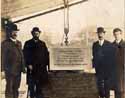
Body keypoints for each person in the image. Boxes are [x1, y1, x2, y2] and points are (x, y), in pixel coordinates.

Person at [23, 27, 50, 98]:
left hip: (41, 70)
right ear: (32, 34)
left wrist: (48, 67)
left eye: (37, 33)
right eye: (34, 33)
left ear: (39, 34)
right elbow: (24, 55)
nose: (36, 35)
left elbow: (46, 55)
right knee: (31, 88)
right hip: (32, 69)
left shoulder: (42, 44)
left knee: (40, 89)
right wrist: (28, 64)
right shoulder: (28, 43)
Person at [1, 23, 25, 98]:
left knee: (16, 89)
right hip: (10, 70)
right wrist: (2, 70)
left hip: (18, 70)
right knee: (9, 89)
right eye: (13, 31)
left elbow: (22, 56)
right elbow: (2, 57)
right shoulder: (5, 43)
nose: (15, 33)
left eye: (16, 32)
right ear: (9, 32)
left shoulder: (19, 43)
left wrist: (23, 68)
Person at [92, 27, 114, 98]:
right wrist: (94, 66)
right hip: (98, 69)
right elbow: (94, 56)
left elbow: (111, 57)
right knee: (99, 85)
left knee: (107, 86)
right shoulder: (95, 44)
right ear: (97, 34)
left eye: (101, 33)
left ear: (104, 34)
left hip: (107, 69)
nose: (100, 35)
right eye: (99, 33)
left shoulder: (109, 44)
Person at [112, 28, 125, 98]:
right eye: (115, 34)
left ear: (121, 34)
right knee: (116, 91)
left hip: (123, 71)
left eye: (118, 34)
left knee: (122, 91)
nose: (117, 36)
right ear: (113, 35)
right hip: (115, 72)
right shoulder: (111, 45)